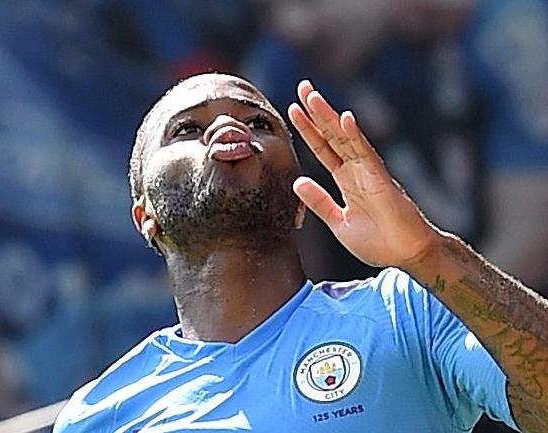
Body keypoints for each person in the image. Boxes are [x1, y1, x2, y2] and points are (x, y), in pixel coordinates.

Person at [53, 73, 548, 433]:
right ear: (146, 218)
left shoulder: (407, 308)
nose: (228, 123)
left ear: (299, 202)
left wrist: (430, 254)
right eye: (185, 128)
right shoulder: (100, 413)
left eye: (259, 123)